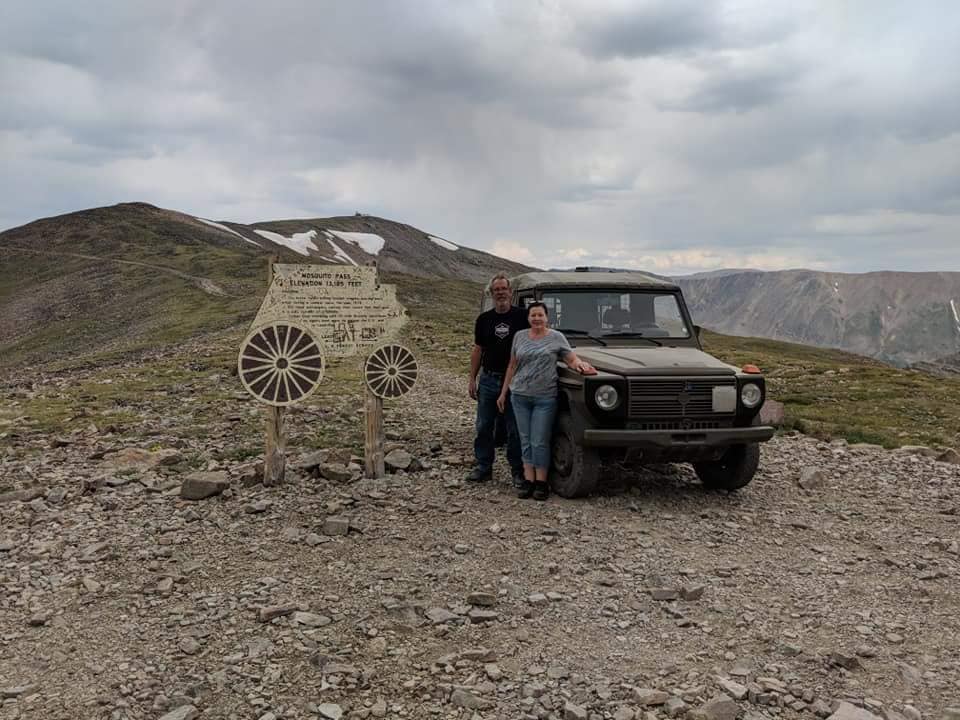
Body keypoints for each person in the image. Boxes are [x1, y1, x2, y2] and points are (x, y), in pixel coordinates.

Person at [497, 302, 596, 500]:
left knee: (539, 440)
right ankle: (528, 480)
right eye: (533, 315)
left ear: (546, 317)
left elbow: (570, 359)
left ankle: (542, 482)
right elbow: (512, 365)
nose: (536, 318)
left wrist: (581, 365)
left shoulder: (556, 337)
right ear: (528, 318)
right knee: (524, 439)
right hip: (520, 395)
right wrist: (503, 392)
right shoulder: (520, 336)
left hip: (545, 397)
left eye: (540, 315)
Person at [467, 272, 528, 486]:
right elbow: (477, 350)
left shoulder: (523, 316)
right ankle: (484, 467)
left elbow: (537, 340)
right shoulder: (484, 319)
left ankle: (518, 471)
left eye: (504, 289)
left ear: (510, 292)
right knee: (484, 425)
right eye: (497, 290)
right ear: (492, 294)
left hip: (515, 381)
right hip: (489, 379)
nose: (500, 292)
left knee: (515, 427)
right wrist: (472, 378)